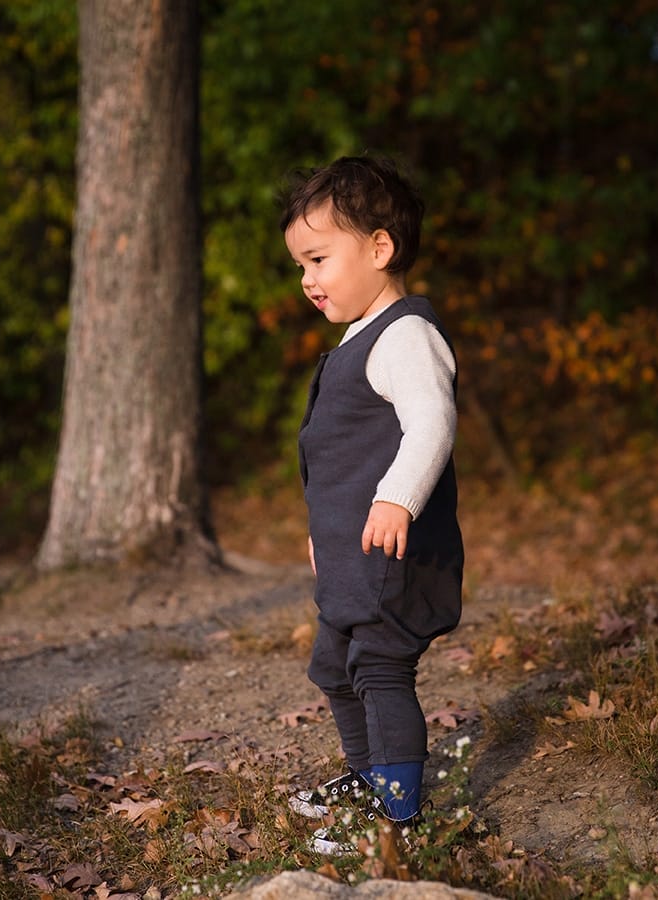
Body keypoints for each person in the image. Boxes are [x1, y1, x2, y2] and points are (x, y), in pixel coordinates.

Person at [279, 155, 464, 854]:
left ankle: (399, 817)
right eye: (301, 265)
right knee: (334, 667)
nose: (307, 280)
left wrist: (397, 500)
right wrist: (322, 536)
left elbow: (431, 425)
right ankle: (365, 778)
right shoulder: (356, 342)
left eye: (319, 259)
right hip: (353, 557)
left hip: (396, 553)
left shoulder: (406, 336)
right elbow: (337, 464)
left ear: (380, 248)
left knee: (379, 670)